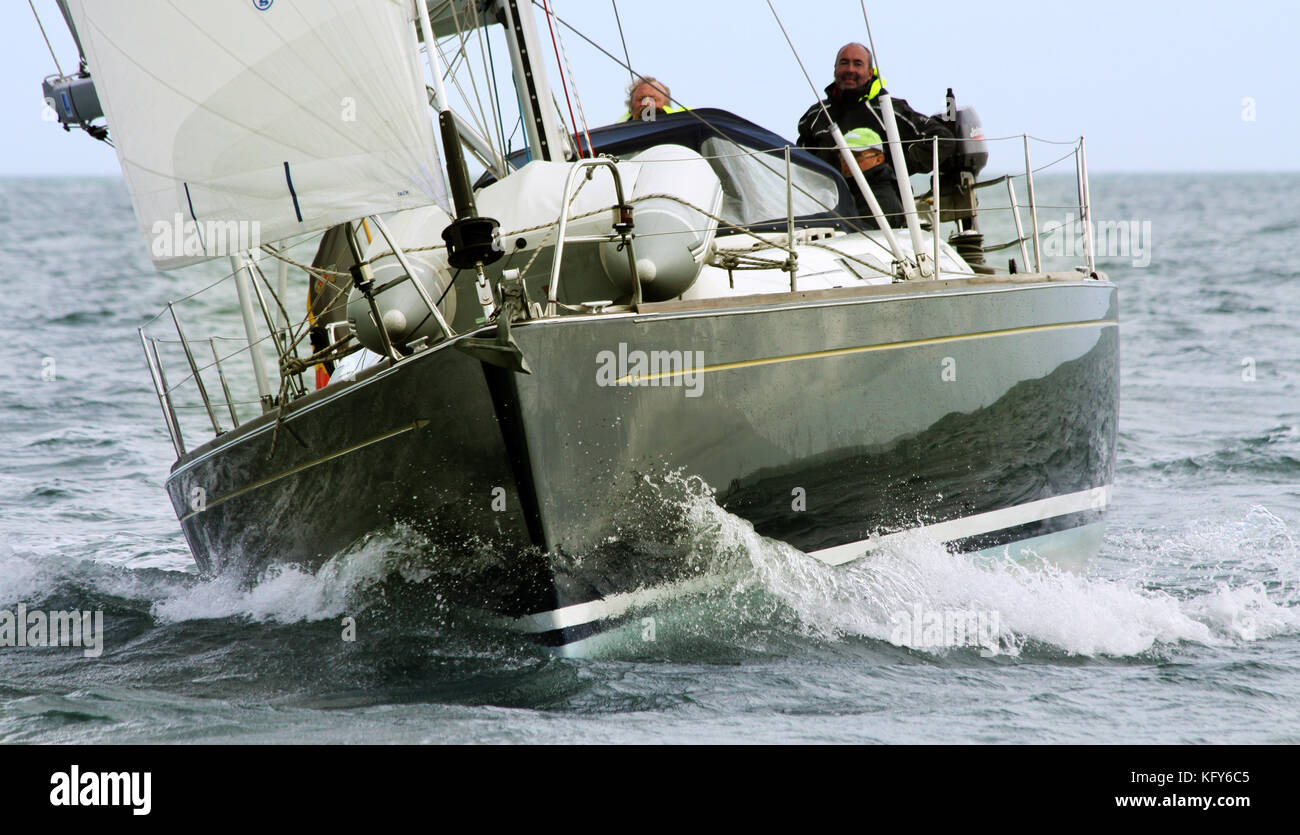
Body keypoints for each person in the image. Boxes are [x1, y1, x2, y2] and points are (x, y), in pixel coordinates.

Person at [797, 43, 952, 229]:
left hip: (884, 206)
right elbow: (801, 168)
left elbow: (943, 139)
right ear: (835, 70)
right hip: (830, 216)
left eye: (857, 64)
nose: (850, 70)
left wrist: (895, 165)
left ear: (870, 73)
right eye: (844, 63)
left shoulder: (889, 110)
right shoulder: (816, 116)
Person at [618, 76, 686, 123]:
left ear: (666, 105)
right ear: (631, 107)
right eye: (641, 99)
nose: (647, 103)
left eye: (653, 99)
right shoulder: (616, 133)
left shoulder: (685, 121)